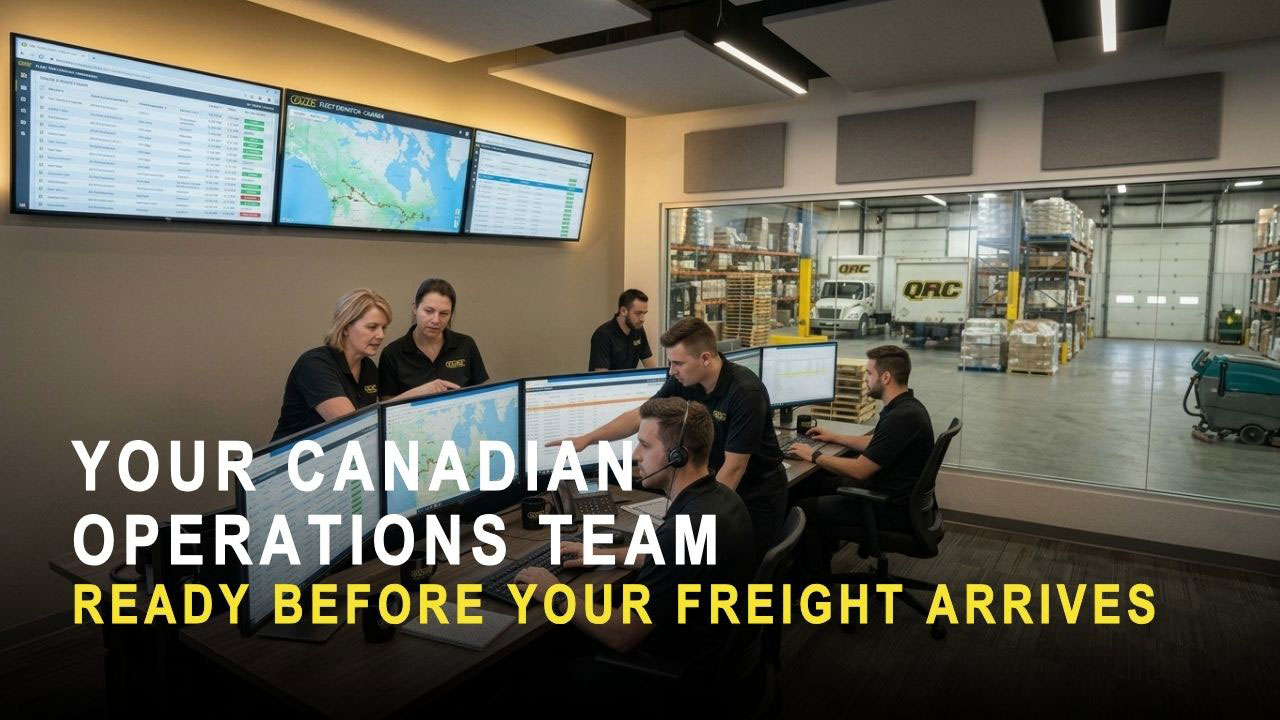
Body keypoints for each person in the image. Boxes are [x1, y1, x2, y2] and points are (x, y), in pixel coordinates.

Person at [516, 398, 756, 686]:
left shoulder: (685, 528)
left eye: (645, 444)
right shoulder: (723, 498)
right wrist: (604, 555)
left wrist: (553, 591)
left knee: (534, 666)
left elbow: (622, 636)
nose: (635, 455)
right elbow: (673, 561)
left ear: (677, 455)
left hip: (680, 668)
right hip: (711, 646)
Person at [556, 317, 786, 560]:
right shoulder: (686, 381)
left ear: (705, 358)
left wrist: (697, 517)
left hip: (755, 493)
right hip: (716, 486)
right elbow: (641, 415)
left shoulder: (745, 392)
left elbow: (735, 466)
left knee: (743, 568)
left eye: (678, 363)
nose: (671, 370)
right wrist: (588, 439)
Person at [785, 345, 935, 579]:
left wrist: (813, 455)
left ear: (885, 377)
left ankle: (811, 589)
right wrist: (834, 437)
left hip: (890, 508)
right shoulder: (908, 407)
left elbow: (860, 470)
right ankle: (821, 563)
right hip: (900, 498)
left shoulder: (900, 418)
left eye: (869, 374)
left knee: (803, 510)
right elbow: (877, 443)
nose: (865, 379)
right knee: (820, 483)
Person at [271, 289, 391, 442]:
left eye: (384, 328)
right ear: (346, 327)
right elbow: (353, 427)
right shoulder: (314, 364)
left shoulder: (369, 367)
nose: (381, 335)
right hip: (291, 460)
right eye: (372, 327)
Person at [378, 278, 489, 399]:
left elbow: (481, 395)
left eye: (444, 314)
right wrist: (419, 392)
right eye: (429, 311)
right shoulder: (392, 354)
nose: (436, 320)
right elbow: (386, 408)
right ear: (415, 308)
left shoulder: (466, 345)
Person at [588, 288, 656, 371]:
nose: (642, 319)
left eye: (644, 313)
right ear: (623, 311)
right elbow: (601, 377)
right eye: (638, 313)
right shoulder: (603, 335)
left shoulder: (638, 329)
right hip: (609, 383)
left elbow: (651, 367)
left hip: (629, 382)